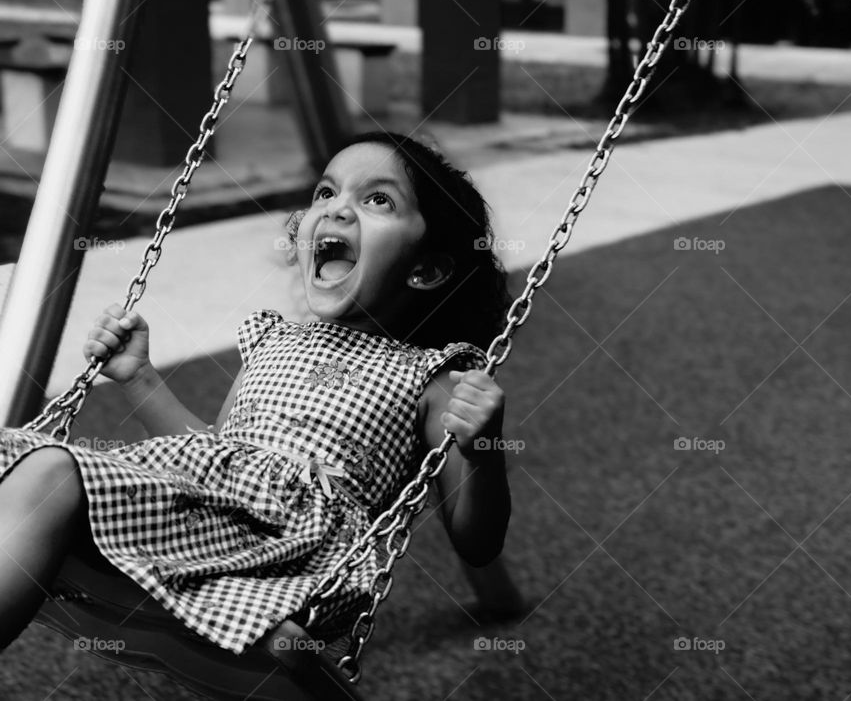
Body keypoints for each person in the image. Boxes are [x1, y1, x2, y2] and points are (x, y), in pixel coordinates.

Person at [0, 132, 513, 656]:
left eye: (378, 200)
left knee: (49, 474)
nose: (336, 211)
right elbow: (213, 453)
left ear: (425, 269)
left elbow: (477, 540)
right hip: (211, 515)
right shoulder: (274, 339)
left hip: (291, 552)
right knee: (24, 459)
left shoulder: (431, 376)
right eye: (325, 192)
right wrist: (139, 377)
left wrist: (481, 450)